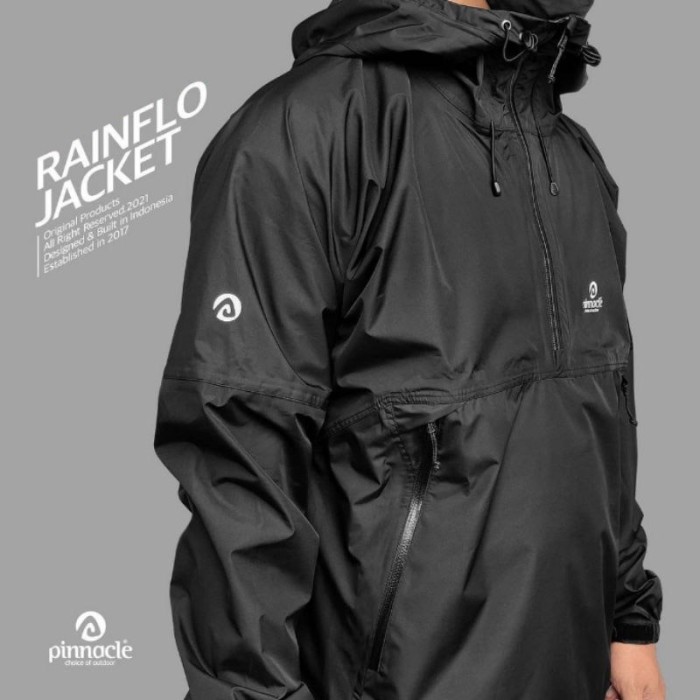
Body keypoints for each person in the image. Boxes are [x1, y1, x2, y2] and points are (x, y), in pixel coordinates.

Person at [153, 1, 666, 698]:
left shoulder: (571, 154)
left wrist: (629, 620)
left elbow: (607, 409)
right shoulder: (308, 131)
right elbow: (240, 460)